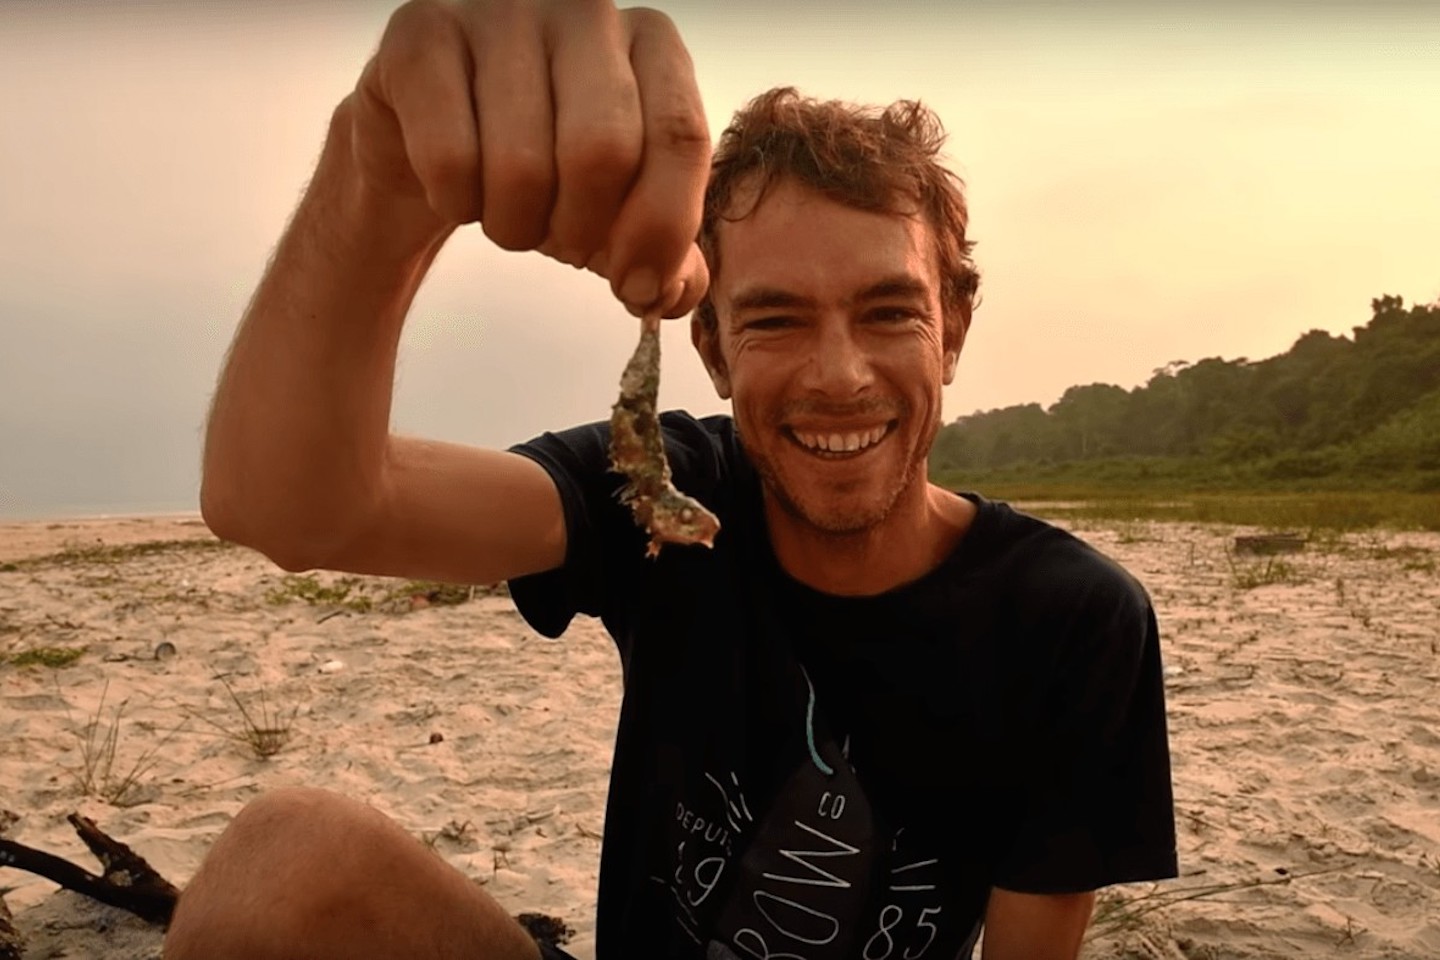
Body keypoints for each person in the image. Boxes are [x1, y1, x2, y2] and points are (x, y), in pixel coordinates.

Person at [164, 1, 1177, 958]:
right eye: (776, 318)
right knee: (285, 854)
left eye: (888, 311)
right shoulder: (675, 496)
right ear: (713, 346)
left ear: (951, 328)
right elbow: (289, 507)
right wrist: (377, 165)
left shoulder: (1072, 621)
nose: (837, 375)